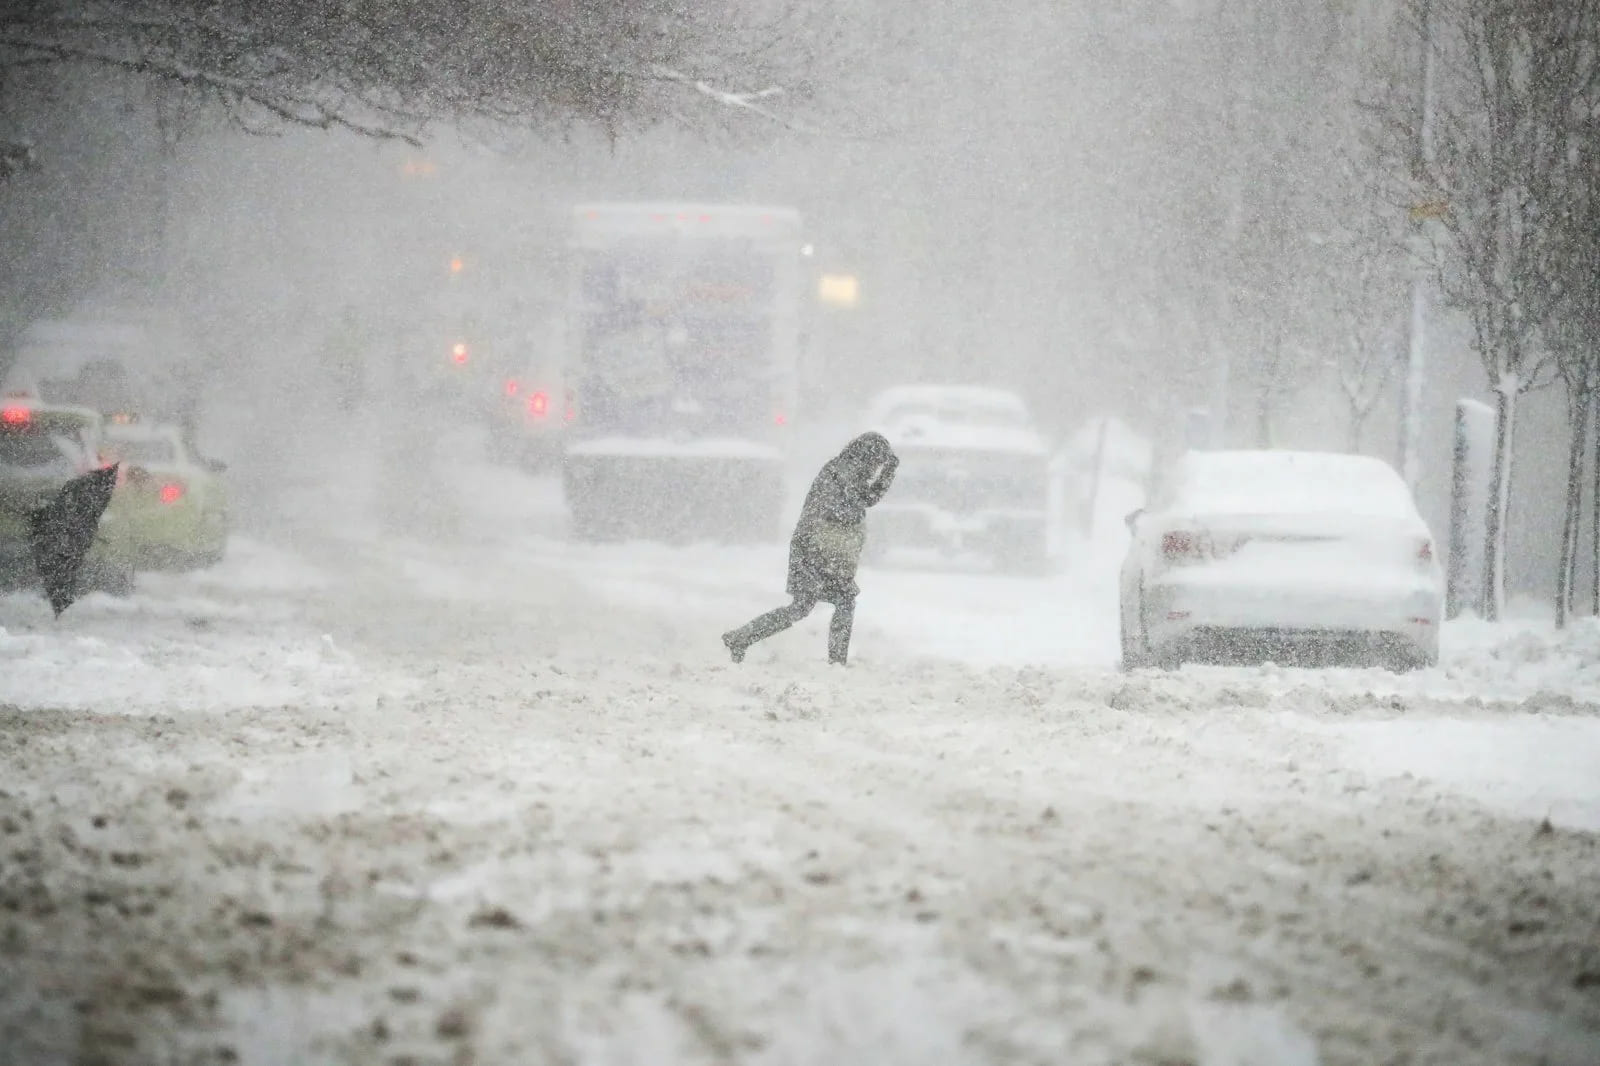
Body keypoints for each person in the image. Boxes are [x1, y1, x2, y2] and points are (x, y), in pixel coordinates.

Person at [723, 432, 899, 665]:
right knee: (809, 606)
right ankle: (742, 638)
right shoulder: (840, 472)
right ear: (868, 456)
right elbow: (858, 502)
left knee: (833, 602)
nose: (876, 468)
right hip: (813, 551)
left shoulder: (846, 471)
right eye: (877, 463)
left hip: (827, 552)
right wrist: (885, 475)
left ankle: (743, 638)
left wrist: (887, 474)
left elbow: (865, 499)